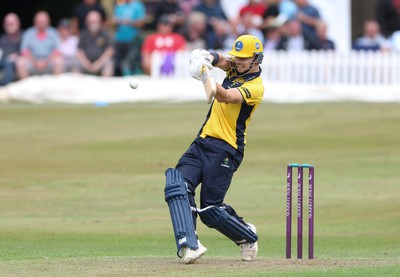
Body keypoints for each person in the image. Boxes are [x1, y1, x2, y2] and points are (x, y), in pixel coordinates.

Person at [164, 34, 264, 264]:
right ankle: (189, 244)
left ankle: (247, 235)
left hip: (227, 148)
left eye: (244, 59)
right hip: (203, 140)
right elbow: (220, 59)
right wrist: (205, 57)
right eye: (237, 58)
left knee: (210, 210)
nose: (238, 62)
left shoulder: (255, 87)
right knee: (177, 183)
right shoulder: (235, 67)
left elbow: (227, 96)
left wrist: (206, 76)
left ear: (256, 59)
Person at [16, 11, 63, 79]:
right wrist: (35, 62)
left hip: (49, 62)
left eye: (43, 21)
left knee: (59, 60)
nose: (41, 23)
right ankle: (26, 85)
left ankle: (56, 86)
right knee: (20, 61)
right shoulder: (28, 33)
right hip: (32, 62)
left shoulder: (54, 33)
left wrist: (46, 62)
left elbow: (57, 51)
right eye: (39, 21)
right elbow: (24, 51)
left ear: (48, 22)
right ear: (35, 22)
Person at [113, 0, 146, 76]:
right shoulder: (120, 4)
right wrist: (116, 21)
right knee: (118, 64)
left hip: (133, 40)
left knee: (131, 63)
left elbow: (141, 23)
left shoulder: (138, 5)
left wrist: (130, 22)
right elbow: (113, 21)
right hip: (119, 39)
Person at [76, 11, 114, 77]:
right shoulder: (83, 34)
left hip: (100, 63)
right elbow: (79, 51)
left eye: (95, 21)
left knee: (109, 63)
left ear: (100, 22)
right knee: (75, 63)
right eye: (91, 21)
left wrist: (98, 64)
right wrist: (86, 63)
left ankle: (106, 84)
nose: (93, 24)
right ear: (87, 22)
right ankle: (76, 85)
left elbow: (109, 51)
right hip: (86, 64)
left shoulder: (105, 34)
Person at [0, 13, 22, 86]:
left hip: (18, 62)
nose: (9, 26)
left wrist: (17, 56)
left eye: (11, 24)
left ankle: (4, 86)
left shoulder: (24, 37)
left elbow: (28, 51)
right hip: (4, 62)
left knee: (9, 63)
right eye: (7, 24)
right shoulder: (2, 39)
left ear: (18, 24)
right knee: (7, 62)